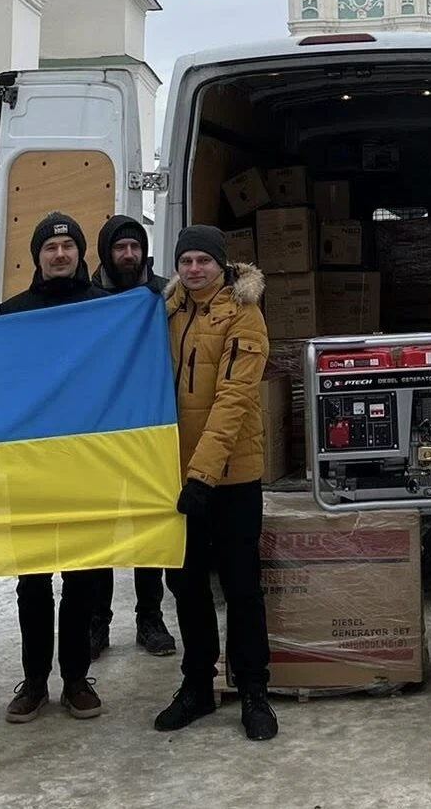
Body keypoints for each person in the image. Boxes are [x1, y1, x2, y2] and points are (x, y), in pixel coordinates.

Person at [152, 226, 278, 742]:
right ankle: (197, 686)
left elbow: (233, 402)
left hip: (231, 477)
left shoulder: (244, 315)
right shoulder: (165, 311)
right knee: (186, 588)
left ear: (223, 265)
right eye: (186, 260)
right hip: (174, 476)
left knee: (242, 586)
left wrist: (203, 474)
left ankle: (253, 690)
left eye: (205, 260)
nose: (195, 269)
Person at [0, 212, 112, 723]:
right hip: (29, 465)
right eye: (51, 247)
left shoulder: (107, 310)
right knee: (33, 580)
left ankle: (75, 678)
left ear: (81, 253)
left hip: (88, 464)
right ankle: (35, 681)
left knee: (84, 575)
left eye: (69, 245)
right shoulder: (12, 312)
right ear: (37, 257)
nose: (60, 254)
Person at [88, 214, 176, 661]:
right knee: (101, 531)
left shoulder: (163, 294)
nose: (128, 255)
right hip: (96, 435)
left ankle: (150, 619)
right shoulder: (84, 300)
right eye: (120, 248)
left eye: (134, 247)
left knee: (148, 527)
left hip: (148, 428)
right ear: (106, 252)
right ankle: (96, 623)